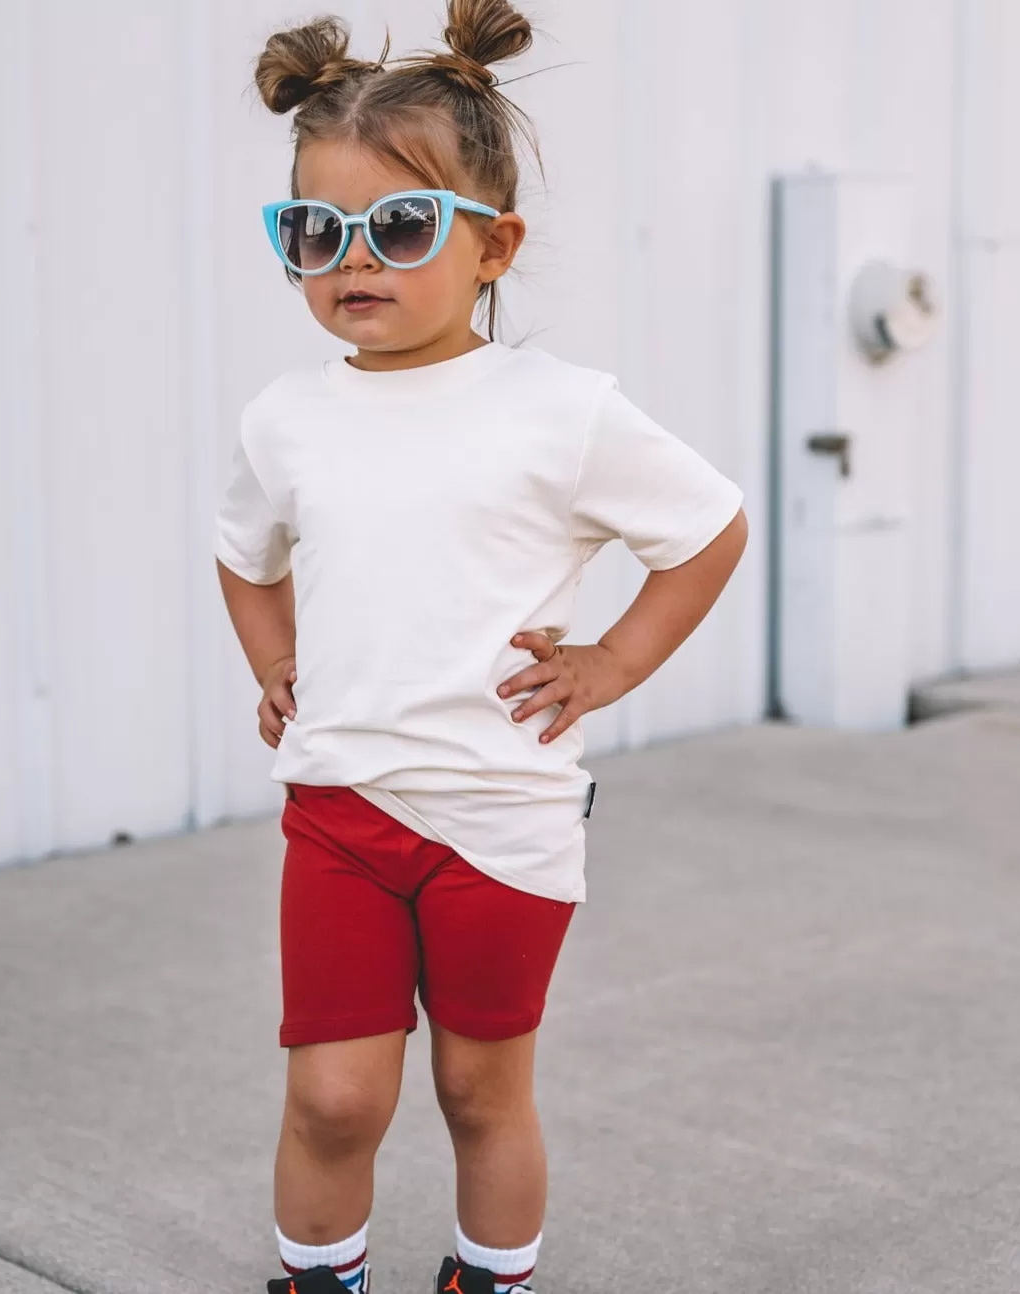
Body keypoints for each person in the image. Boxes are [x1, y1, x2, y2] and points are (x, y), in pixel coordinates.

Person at [214, 2, 748, 1290]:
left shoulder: (561, 414)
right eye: (313, 232)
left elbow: (708, 528)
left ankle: (491, 1277)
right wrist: (272, 662)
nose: (356, 261)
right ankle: (318, 1273)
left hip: (504, 818)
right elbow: (246, 556)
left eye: (398, 226)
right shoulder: (287, 418)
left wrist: (610, 665)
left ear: (492, 244)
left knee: (477, 1086)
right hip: (339, 807)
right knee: (335, 1099)